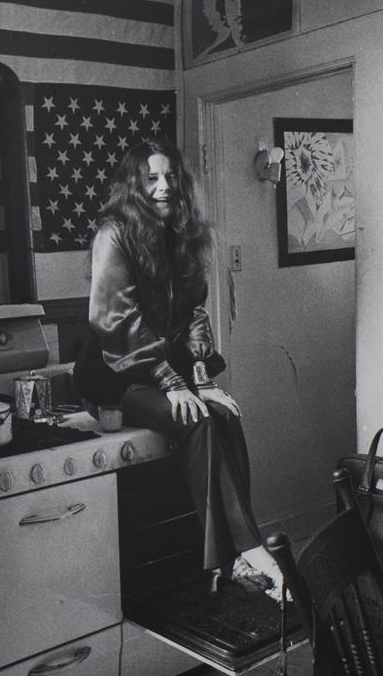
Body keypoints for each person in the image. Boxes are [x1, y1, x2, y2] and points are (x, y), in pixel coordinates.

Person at [74, 139, 284, 599]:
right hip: (112, 374)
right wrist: (174, 383)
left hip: (159, 369)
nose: (163, 187)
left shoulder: (179, 235)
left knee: (223, 413)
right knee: (196, 421)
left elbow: (193, 313)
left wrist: (203, 381)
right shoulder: (113, 233)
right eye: (151, 179)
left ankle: (227, 560)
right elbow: (117, 321)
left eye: (170, 177)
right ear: (135, 186)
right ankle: (243, 552)